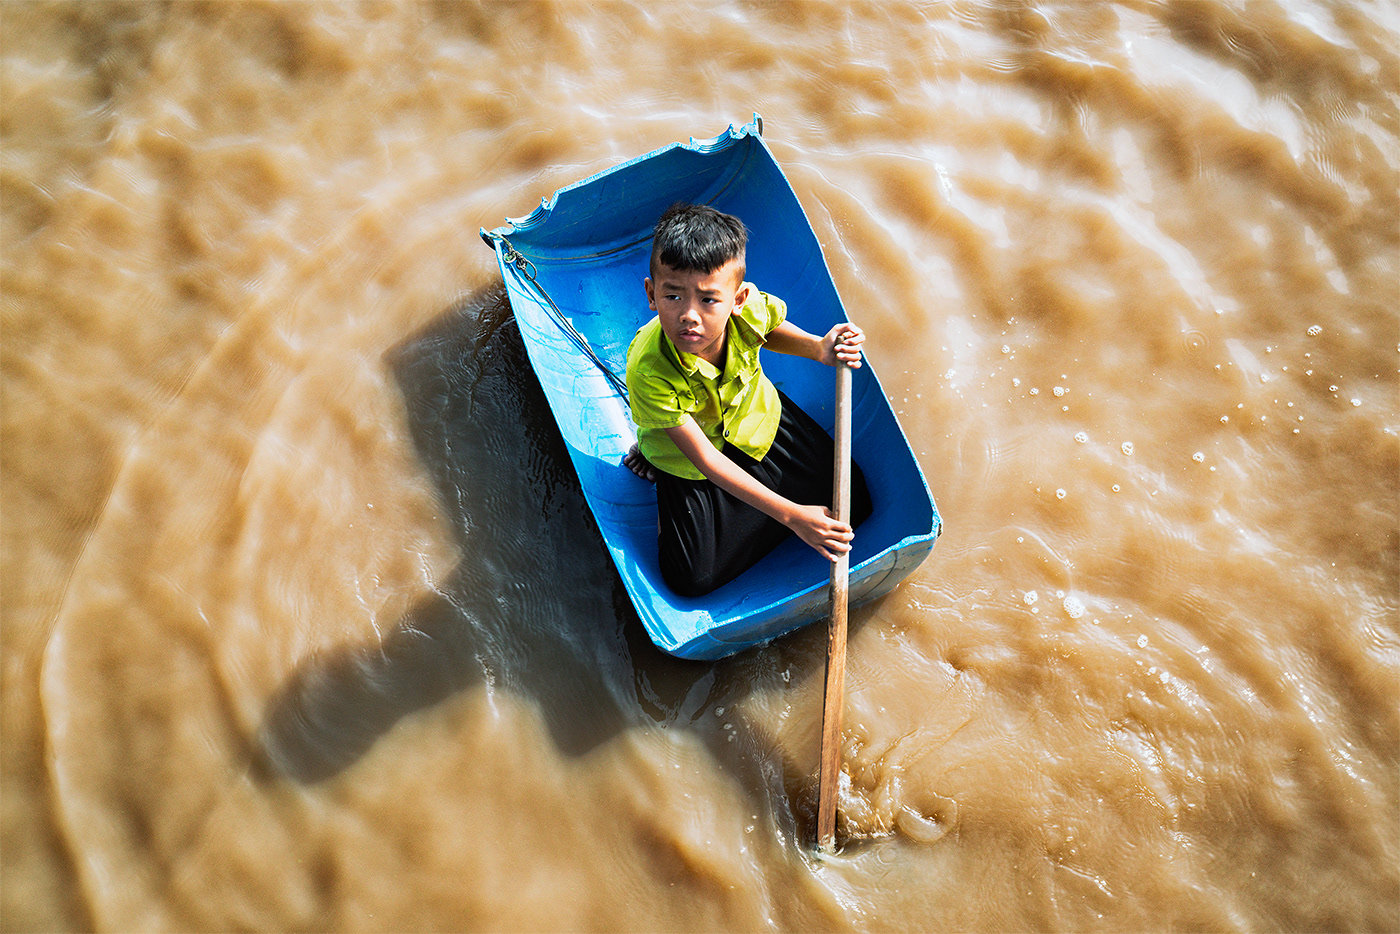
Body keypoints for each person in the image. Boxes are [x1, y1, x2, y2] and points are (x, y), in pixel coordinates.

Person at [624, 202, 872, 597]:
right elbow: (705, 459)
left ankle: (753, 506)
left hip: (756, 422)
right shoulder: (648, 368)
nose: (690, 315)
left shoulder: (747, 307)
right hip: (690, 459)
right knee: (691, 579)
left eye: (708, 300)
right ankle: (658, 473)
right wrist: (791, 516)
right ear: (652, 294)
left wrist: (818, 348)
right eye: (673, 297)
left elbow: (768, 327)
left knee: (854, 501)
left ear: (737, 299)